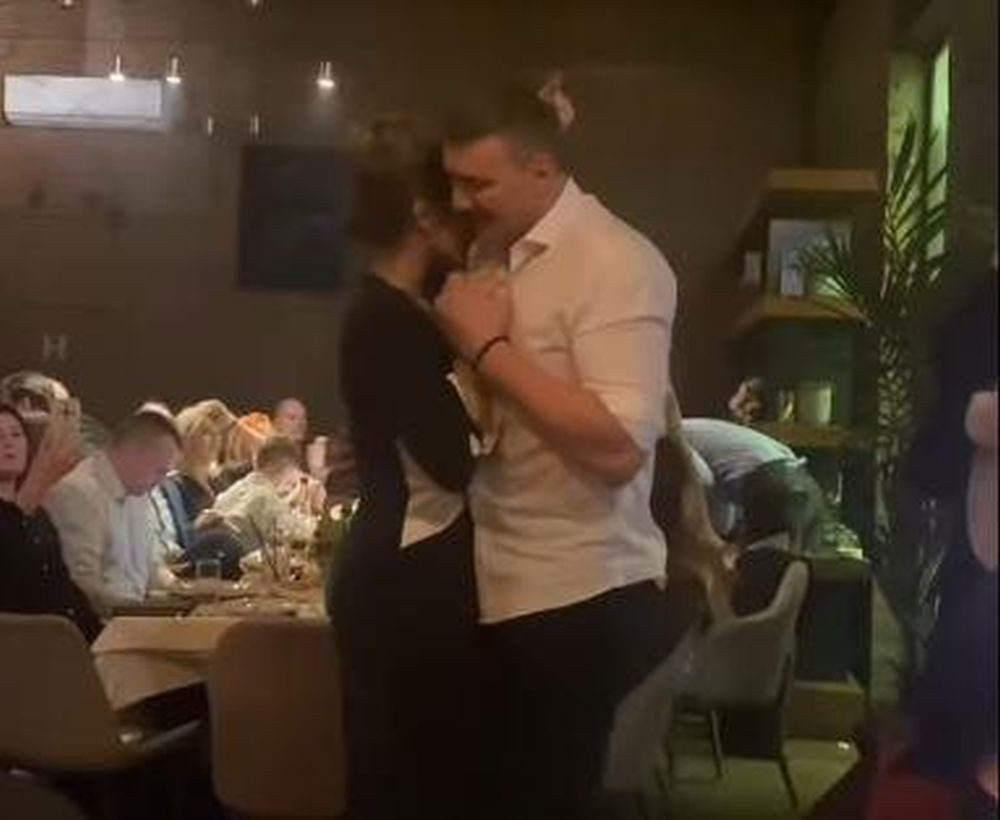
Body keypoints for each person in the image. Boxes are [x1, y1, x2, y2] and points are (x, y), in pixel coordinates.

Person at [434, 82, 676, 818]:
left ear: (541, 168)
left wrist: (488, 349)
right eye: (452, 182)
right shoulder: (498, 256)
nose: (460, 201)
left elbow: (619, 448)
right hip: (503, 583)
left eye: (478, 183)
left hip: (580, 594)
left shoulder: (614, 260)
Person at [329, 124, 482, 819]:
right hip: (402, 574)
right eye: (460, 198)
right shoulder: (386, 318)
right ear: (425, 214)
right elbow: (451, 462)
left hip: (407, 562)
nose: (473, 211)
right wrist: (484, 366)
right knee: (397, 783)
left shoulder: (409, 310)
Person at [44, 406, 181, 613]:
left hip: (132, 615)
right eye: (159, 471)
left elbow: (153, 568)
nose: (161, 482)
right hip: (103, 623)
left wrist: (187, 592)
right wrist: (141, 612)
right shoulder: (77, 493)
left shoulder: (138, 493)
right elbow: (83, 586)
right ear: (132, 453)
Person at [0, 403, 101, 642]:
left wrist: (103, 636)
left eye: (16, 434)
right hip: (24, 645)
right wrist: (38, 482)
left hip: (69, 638)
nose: (8, 443)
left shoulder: (39, 515)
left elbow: (62, 585)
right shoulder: (23, 509)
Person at [680, 417, 829, 553]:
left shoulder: (671, 438)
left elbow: (702, 478)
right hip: (796, 477)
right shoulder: (688, 429)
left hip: (768, 483)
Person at [192, 436, 315, 578]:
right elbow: (297, 537)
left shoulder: (234, 490)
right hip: (237, 573)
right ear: (288, 468)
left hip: (208, 565)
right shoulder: (266, 498)